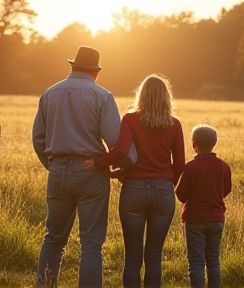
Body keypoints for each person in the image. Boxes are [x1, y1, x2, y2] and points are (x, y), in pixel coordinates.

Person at [32, 45, 135, 288]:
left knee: (53, 239)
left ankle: (45, 285)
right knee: (91, 243)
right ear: (96, 71)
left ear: (72, 66)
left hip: (57, 171)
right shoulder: (103, 96)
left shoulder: (49, 93)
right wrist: (128, 165)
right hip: (91, 173)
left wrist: (53, 166)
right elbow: (114, 141)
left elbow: (38, 138)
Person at [84, 73, 185, 288]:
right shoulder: (175, 124)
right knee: (154, 256)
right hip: (164, 190)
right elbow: (180, 164)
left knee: (132, 257)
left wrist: (100, 163)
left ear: (142, 95)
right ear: (167, 98)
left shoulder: (130, 119)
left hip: (134, 189)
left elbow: (122, 151)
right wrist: (167, 182)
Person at [175, 124, 232, 288]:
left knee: (196, 262)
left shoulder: (191, 167)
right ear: (214, 143)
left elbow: (181, 195)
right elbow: (226, 190)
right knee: (213, 260)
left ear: (194, 145)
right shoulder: (224, 166)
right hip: (216, 219)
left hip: (194, 220)